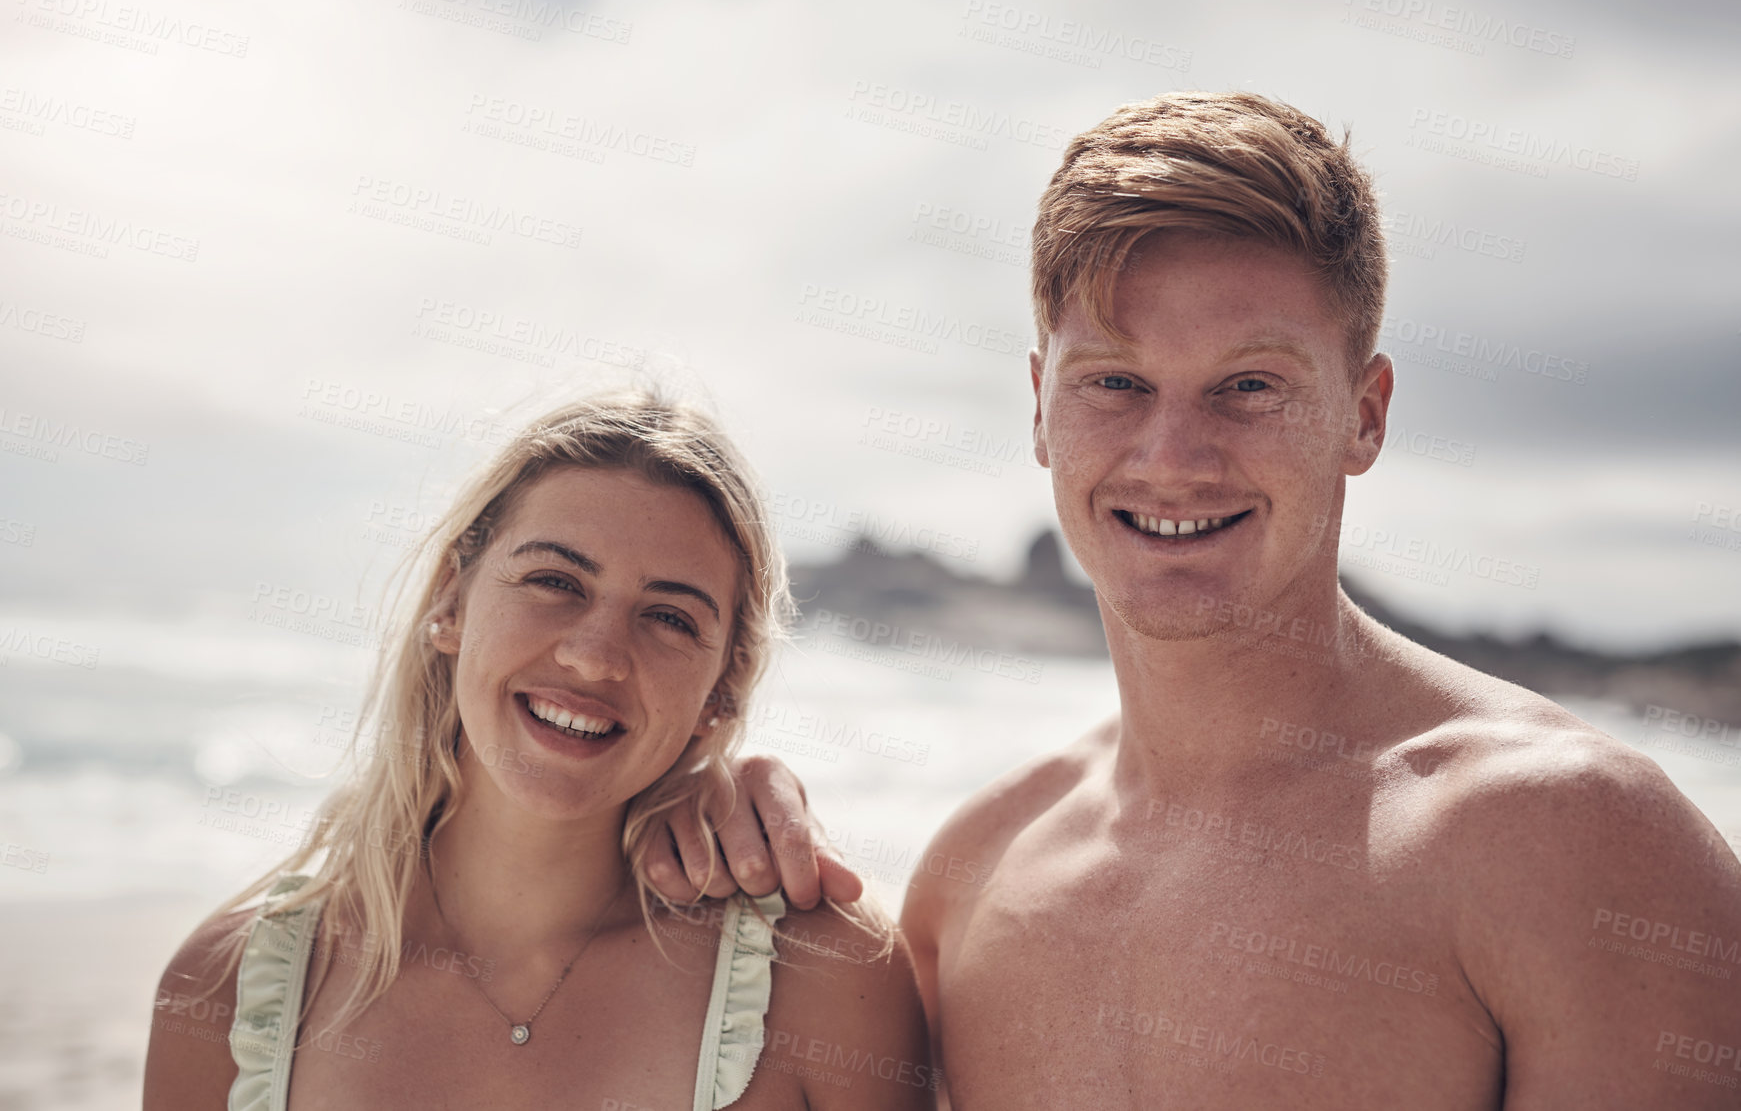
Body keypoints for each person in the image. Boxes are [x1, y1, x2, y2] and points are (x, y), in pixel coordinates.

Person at [646, 92, 1741, 1107]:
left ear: (1364, 413)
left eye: (1250, 386)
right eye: (1115, 382)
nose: (1172, 456)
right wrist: (661, 817)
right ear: (1040, 407)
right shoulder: (970, 880)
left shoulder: (1575, 845)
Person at [144, 393, 932, 1110]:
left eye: (669, 618)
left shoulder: (823, 974)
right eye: (555, 580)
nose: (595, 657)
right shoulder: (224, 991)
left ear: (719, 692)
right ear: (451, 603)